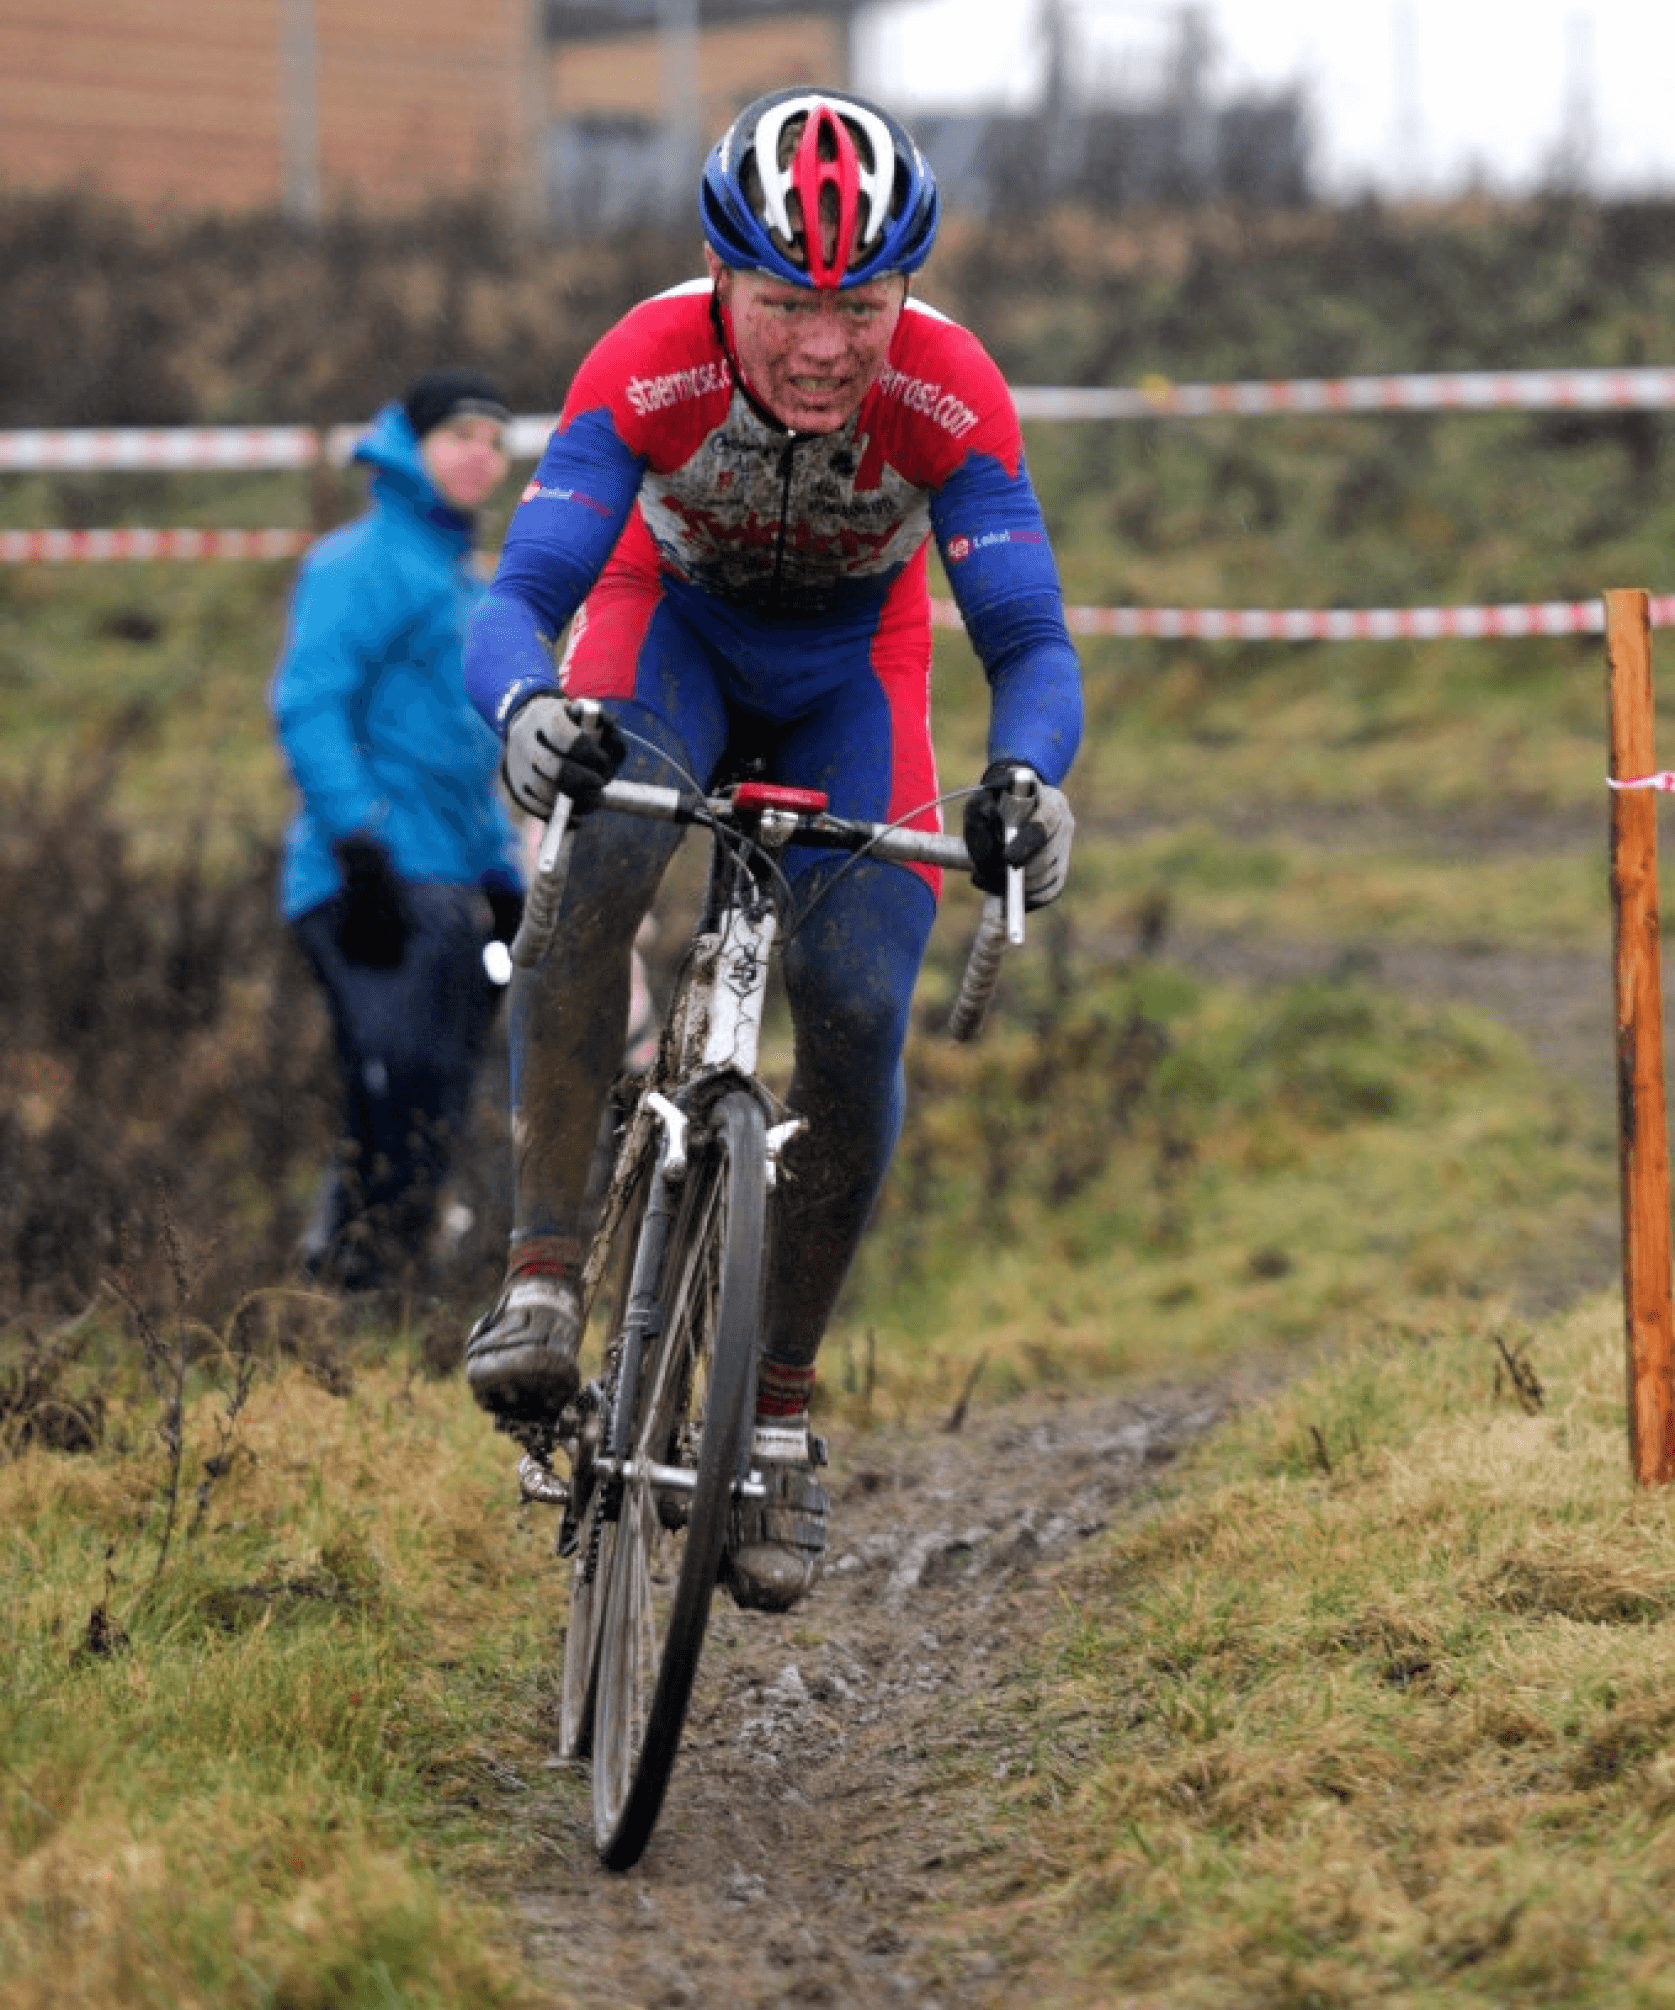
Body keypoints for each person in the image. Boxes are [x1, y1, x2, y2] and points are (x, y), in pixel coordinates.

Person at [462, 88, 1083, 1610]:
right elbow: (515, 593)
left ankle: (779, 1414)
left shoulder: (949, 393)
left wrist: (1026, 779)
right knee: (591, 870)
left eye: (860, 303)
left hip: (844, 682)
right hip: (661, 634)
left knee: (862, 1007)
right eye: (789, 302)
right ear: (717, 277)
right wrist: (525, 709)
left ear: (905, 293)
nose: (825, 344)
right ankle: (542, 1273)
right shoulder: (644, 359)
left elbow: (1027, 639)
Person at [272, 367, 525, 1293]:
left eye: (495, 442)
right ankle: (350, 1289)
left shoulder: (459, 579)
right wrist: (358, 841)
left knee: (437, 1100)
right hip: (368, 882)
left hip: (454, 881)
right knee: (396, 1083)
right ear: (410, 444)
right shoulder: (358, 563)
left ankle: (380, 1297)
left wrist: (502, 874)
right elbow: (308, 703)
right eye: (461, 435)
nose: (480, 456)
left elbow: (460, 749)